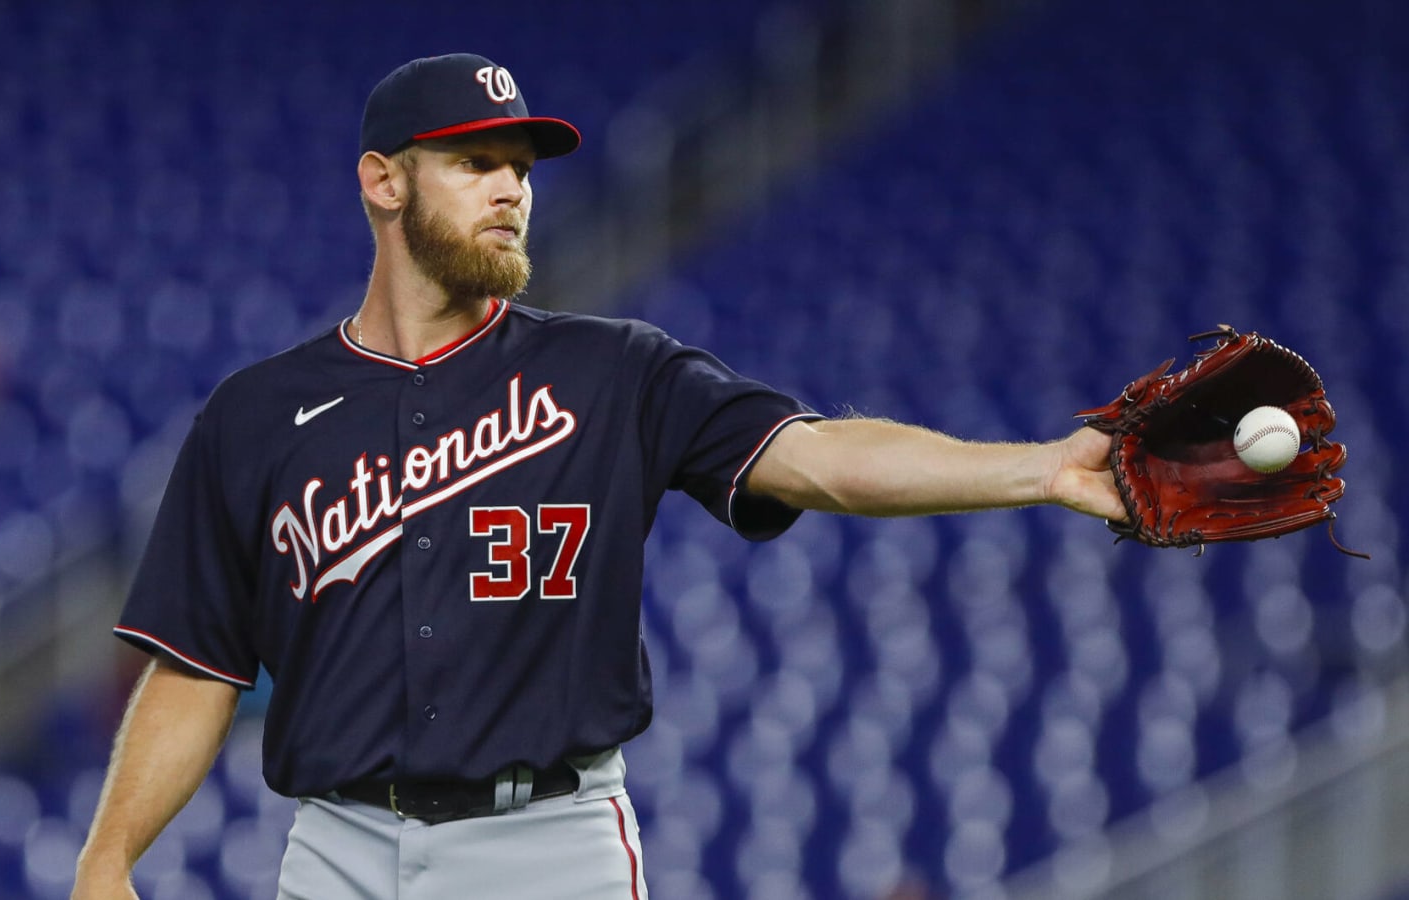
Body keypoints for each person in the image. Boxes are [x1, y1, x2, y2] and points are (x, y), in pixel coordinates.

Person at [72, 53, 1124, 900]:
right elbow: (194, 668)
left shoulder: (613, 370)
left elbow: (819, 460)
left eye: (521, 168)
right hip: (336, 849)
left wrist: (1040, 468)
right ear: (382, 180)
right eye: (474, 161)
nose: (509, 191)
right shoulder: (257, 415)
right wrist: (106, 861)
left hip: (550, 848)